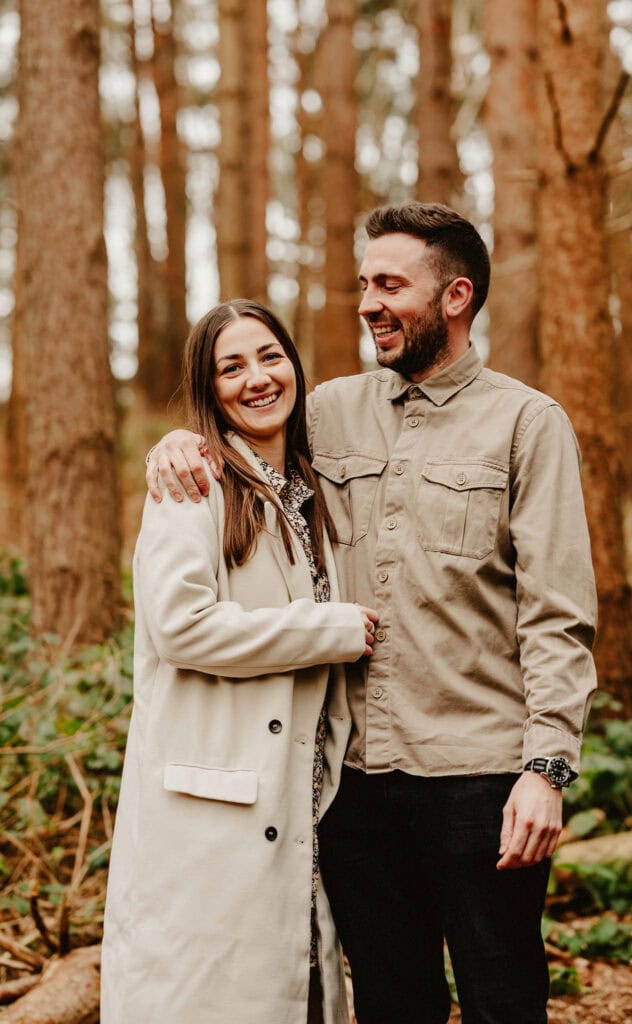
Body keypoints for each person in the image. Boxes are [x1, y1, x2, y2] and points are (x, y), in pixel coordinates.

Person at [145, 203, 598, 1024]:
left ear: (454, 297)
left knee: (503, 1001)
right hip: (354, 786)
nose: (366, 304)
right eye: (363, 285)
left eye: (389, 285)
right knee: (391, 1006)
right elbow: (243, 431)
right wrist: (177, 443)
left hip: (481, 780)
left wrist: (546, 770)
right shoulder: (329, 411)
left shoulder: (527, 424)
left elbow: (557, 617)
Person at [101, 299, 379, 1024]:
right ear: (208, 386)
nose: (257, 378)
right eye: (231, 367)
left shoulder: (311, 490)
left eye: (270, 356)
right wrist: (328, 629)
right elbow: (181, 627)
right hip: (214, 816)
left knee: (299, 994)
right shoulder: (192, 484)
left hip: (304, 805)